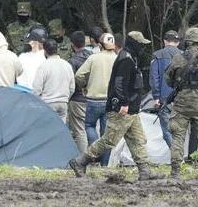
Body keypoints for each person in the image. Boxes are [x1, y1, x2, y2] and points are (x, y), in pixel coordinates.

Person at [69, 31, 164, 180]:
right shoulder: (126, 59)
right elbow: (120, 84)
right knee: (109, 140)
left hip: (131, 110)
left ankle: (144, 171)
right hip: (122, 109)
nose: (143, 48)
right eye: (140, 44)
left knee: (138, 139)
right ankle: (80, 162)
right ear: (134, 44)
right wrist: (124, 103)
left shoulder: (130, 57)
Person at [165, 27, 198, 180]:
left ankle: (175, 172)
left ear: (187, 42)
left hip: (181, 103)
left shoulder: (177, 58)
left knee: (178, 137)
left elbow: (168, 80)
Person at [75, 33, 117, 166]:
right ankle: (104, 166)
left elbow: (79, 75)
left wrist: (84, 86)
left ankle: (94, 149)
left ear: (100, 45)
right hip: (111, 102)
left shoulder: (93, 58)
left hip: (93, 100)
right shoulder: (117, 58)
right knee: (107, 135)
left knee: (89, 126)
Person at [149, 30, 181, 148]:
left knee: (167, 131)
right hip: (181, 99)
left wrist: (156, 97)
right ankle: (180, 155)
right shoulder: (184, 55)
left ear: (164, 41)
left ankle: (176, 156)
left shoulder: (157, 55)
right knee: (180, 131)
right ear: (178, 42)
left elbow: (154, 77)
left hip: (164, 99)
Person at [33, 39, 75, 123]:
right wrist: (65, 98)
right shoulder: (67, 65)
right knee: (61, 129)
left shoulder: (43, 66)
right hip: (63, 103)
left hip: (48, 103)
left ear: (44, 51)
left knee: (49, 129)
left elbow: (37, 89)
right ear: (57, 49)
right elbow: (72, 88)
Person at [68, 31, 92, 153]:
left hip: (77, 99)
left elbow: (71, 82)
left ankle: (82, 158)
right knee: (92, 128)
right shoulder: (93, 57)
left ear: (72, 45)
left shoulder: (72, 61)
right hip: (94, 99)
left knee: (79, 131)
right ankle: (96, 156)